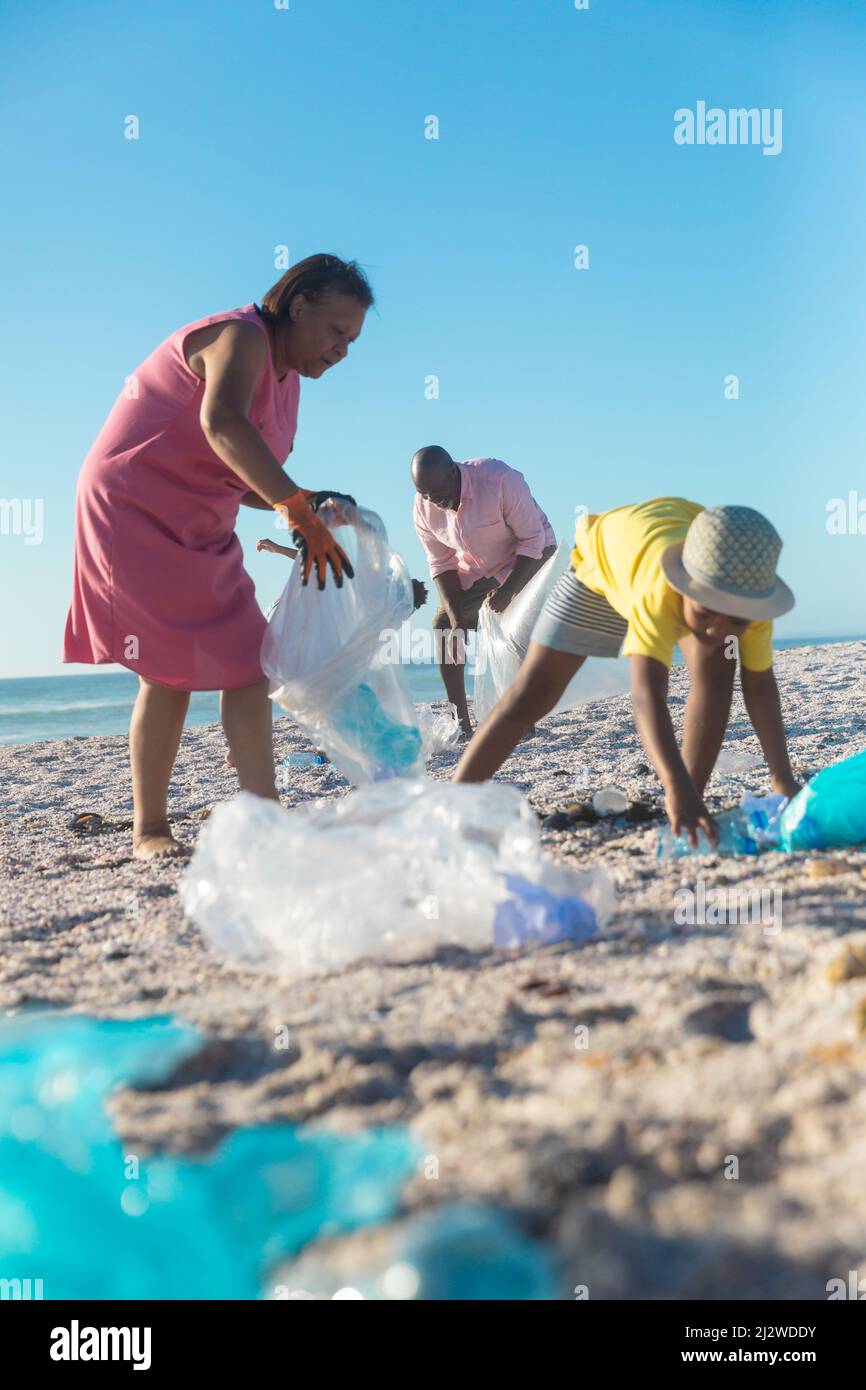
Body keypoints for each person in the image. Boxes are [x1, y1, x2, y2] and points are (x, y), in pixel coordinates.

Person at [63, 254, 373, 858]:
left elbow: (243, 479)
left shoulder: (289, 384)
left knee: (247, 662)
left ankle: (263, 816)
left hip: (201, 519)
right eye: (337, 332)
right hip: (135, 507)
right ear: (299, 303)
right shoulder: (242, 337)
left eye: (353, 341)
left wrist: (311, 501)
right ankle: (150, 829)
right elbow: (222, 422)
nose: (342, 351)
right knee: (168, 671)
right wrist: (297, 510)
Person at [453, 498, 801, 847]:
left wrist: (781, 776)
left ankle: (687, 804)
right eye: (707, 612)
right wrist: (672, 784)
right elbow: (647, 696)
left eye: (736, 621)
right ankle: (455, 801)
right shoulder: (658, 589)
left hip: (665, 549)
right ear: (685, 584)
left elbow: (759, 686)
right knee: (532, 694)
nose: (717, 629)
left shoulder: (750, 602)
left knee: (718, 669)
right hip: (601, 568)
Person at [412, 446, 556, 735]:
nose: (434, 501)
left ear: (453, 471)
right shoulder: (424, 506)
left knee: (515, 624)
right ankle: (462, 723)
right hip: (478, 567)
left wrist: (507, 593)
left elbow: (532, 541)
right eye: (425, 494)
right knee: (443, 625)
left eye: (438, 493)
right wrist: (455, 617)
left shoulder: (500, 480)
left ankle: (522, 717)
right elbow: (441, 563)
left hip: (532, 557)